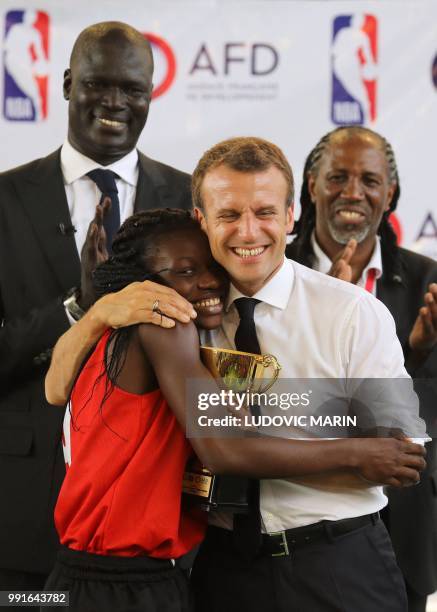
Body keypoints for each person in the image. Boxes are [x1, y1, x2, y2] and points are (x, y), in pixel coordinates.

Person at [47, 137, 428, 612]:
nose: (248, 232)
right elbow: (56, 388)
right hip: (218, 570)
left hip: (337, 564)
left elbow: (398, 455)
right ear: (202, 220)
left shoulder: (353, 313)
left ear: (291, 216)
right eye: (228, 215)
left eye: (265, 212)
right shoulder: (179, 312)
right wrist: (99, 311)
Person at [0, 21, 194, 597]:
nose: (115, 103)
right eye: (98, 84)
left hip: (150, 523)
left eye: (133, 90)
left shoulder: (190, 201)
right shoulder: (6, 200)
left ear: (150, 96)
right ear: (66, 84)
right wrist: (79, 308)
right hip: (24, 513)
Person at [286, 125, 437, 612]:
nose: (353, 193)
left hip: (404, 537)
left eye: (370, 181)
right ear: (312, 185)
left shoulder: (425, 281)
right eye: (338, 177)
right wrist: (319, 310)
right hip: (297, 536)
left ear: (389, 193)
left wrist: (414, 353)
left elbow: (415, 420)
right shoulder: (274, 272)